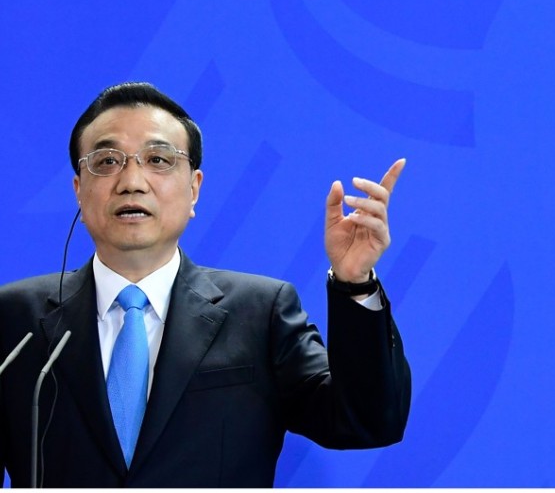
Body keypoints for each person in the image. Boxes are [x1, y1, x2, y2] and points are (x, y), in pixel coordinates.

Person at [0, 82, 411, 487]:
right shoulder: (15, 319)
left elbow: (366, 423)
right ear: (78, 190)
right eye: (107, 161)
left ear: (194, 188)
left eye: (158, 160)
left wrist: (354, 283)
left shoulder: (260, 312)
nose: (131, 181)